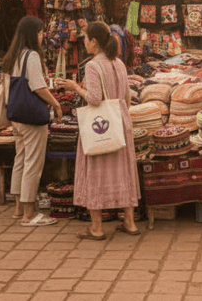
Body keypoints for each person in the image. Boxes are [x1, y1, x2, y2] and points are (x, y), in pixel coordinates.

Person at [56, 22, 141, 240]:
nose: (84, 43)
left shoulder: (93, 65)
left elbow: (94, 98)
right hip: (120, 119)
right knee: (123, 170)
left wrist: (75, 87)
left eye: (85, 39)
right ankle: (129, 222)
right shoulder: (119, 63)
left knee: (96, 172)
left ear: (94, 41)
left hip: (100, 124)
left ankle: (96, 227)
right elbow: (127, 97)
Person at [5, 16, 62, 227]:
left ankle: (19, 208)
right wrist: (56, 104)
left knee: (20, 160)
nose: (42, 36)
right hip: (32, 118)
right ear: (32, 34)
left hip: (17, 116)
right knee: (33, 164)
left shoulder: (14, 55)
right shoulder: (32, 56)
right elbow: (38, 87)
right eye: (40, 32)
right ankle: (29, 214)